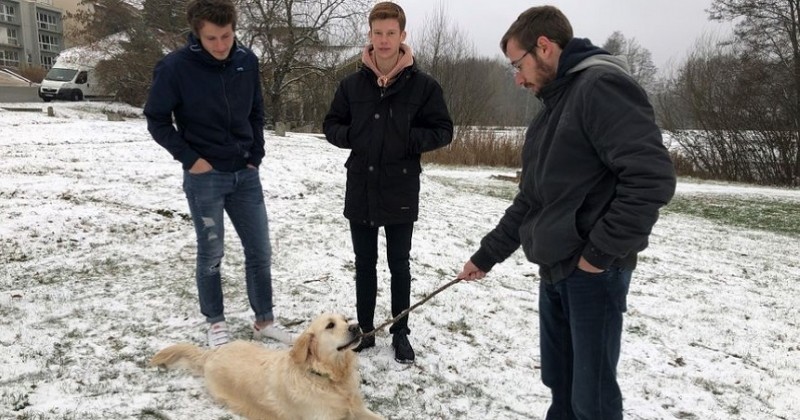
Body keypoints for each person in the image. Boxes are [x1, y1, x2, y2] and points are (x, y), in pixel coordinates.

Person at [456, 6, 676, 420]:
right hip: (556, 270)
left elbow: (652, 179)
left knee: (591, 399)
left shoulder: (601, 87)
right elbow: (531, 200)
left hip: (592, 274)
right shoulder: (554, 107)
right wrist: (486, 257)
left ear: (545, 47)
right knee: (562, 387)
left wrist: (598, 256)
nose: (518, 78)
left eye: (518, 65)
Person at [144, 0, 291, 348]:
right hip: (205, 177)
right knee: (211, 255)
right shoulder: (175, 68)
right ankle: (215, 322)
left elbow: (257, 112)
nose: (222, 45)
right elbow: (157, 118)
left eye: (226, 36)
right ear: (197, 34)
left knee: (260, 251)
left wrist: (256, 153)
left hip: (245, 174)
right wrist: (191, 159)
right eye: (212, 38)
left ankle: (264, 319)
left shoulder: (246, 62)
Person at [323, 1, 453, 364]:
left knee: (399, 263)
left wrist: (408, 142)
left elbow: (443, 130)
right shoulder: (351, 85)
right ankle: (364, 331)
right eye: (377, 33)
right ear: (370, 35)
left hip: (401, 187)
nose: (383, 40)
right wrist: (353, 135)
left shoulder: (424, 87)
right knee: (364, 262)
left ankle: (400, 332)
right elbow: (331, 125)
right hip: (360, 186)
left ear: (402, 36)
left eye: (390, 33)